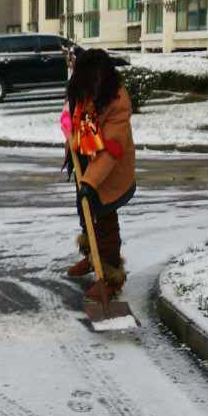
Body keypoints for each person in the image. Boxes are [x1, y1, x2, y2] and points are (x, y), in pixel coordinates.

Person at [61, 48, 136, 303]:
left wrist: (91, 183)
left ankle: (111, 276)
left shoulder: (117, 102)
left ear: (100, 77)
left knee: (105, 224)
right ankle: (92, 257)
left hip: (108, 173)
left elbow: (112, 151)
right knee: (84, 212)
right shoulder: (85, 89)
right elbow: (72, 117)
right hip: (84, 162)